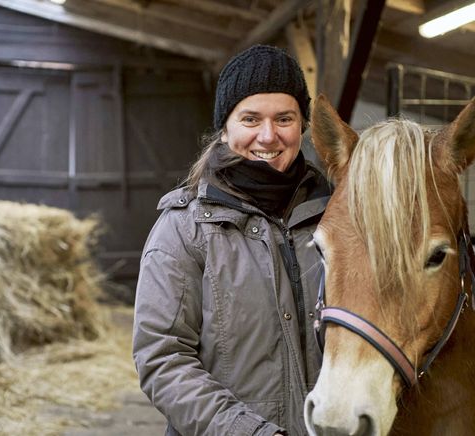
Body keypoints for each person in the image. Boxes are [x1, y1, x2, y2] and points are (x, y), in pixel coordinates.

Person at [132, 44, 332, 436]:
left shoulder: (337, 220)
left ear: (303, 126)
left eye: (284, 118)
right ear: (225, 128)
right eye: (251, 119)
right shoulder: (186, 229)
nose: (268, 135)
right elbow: (162, 357)